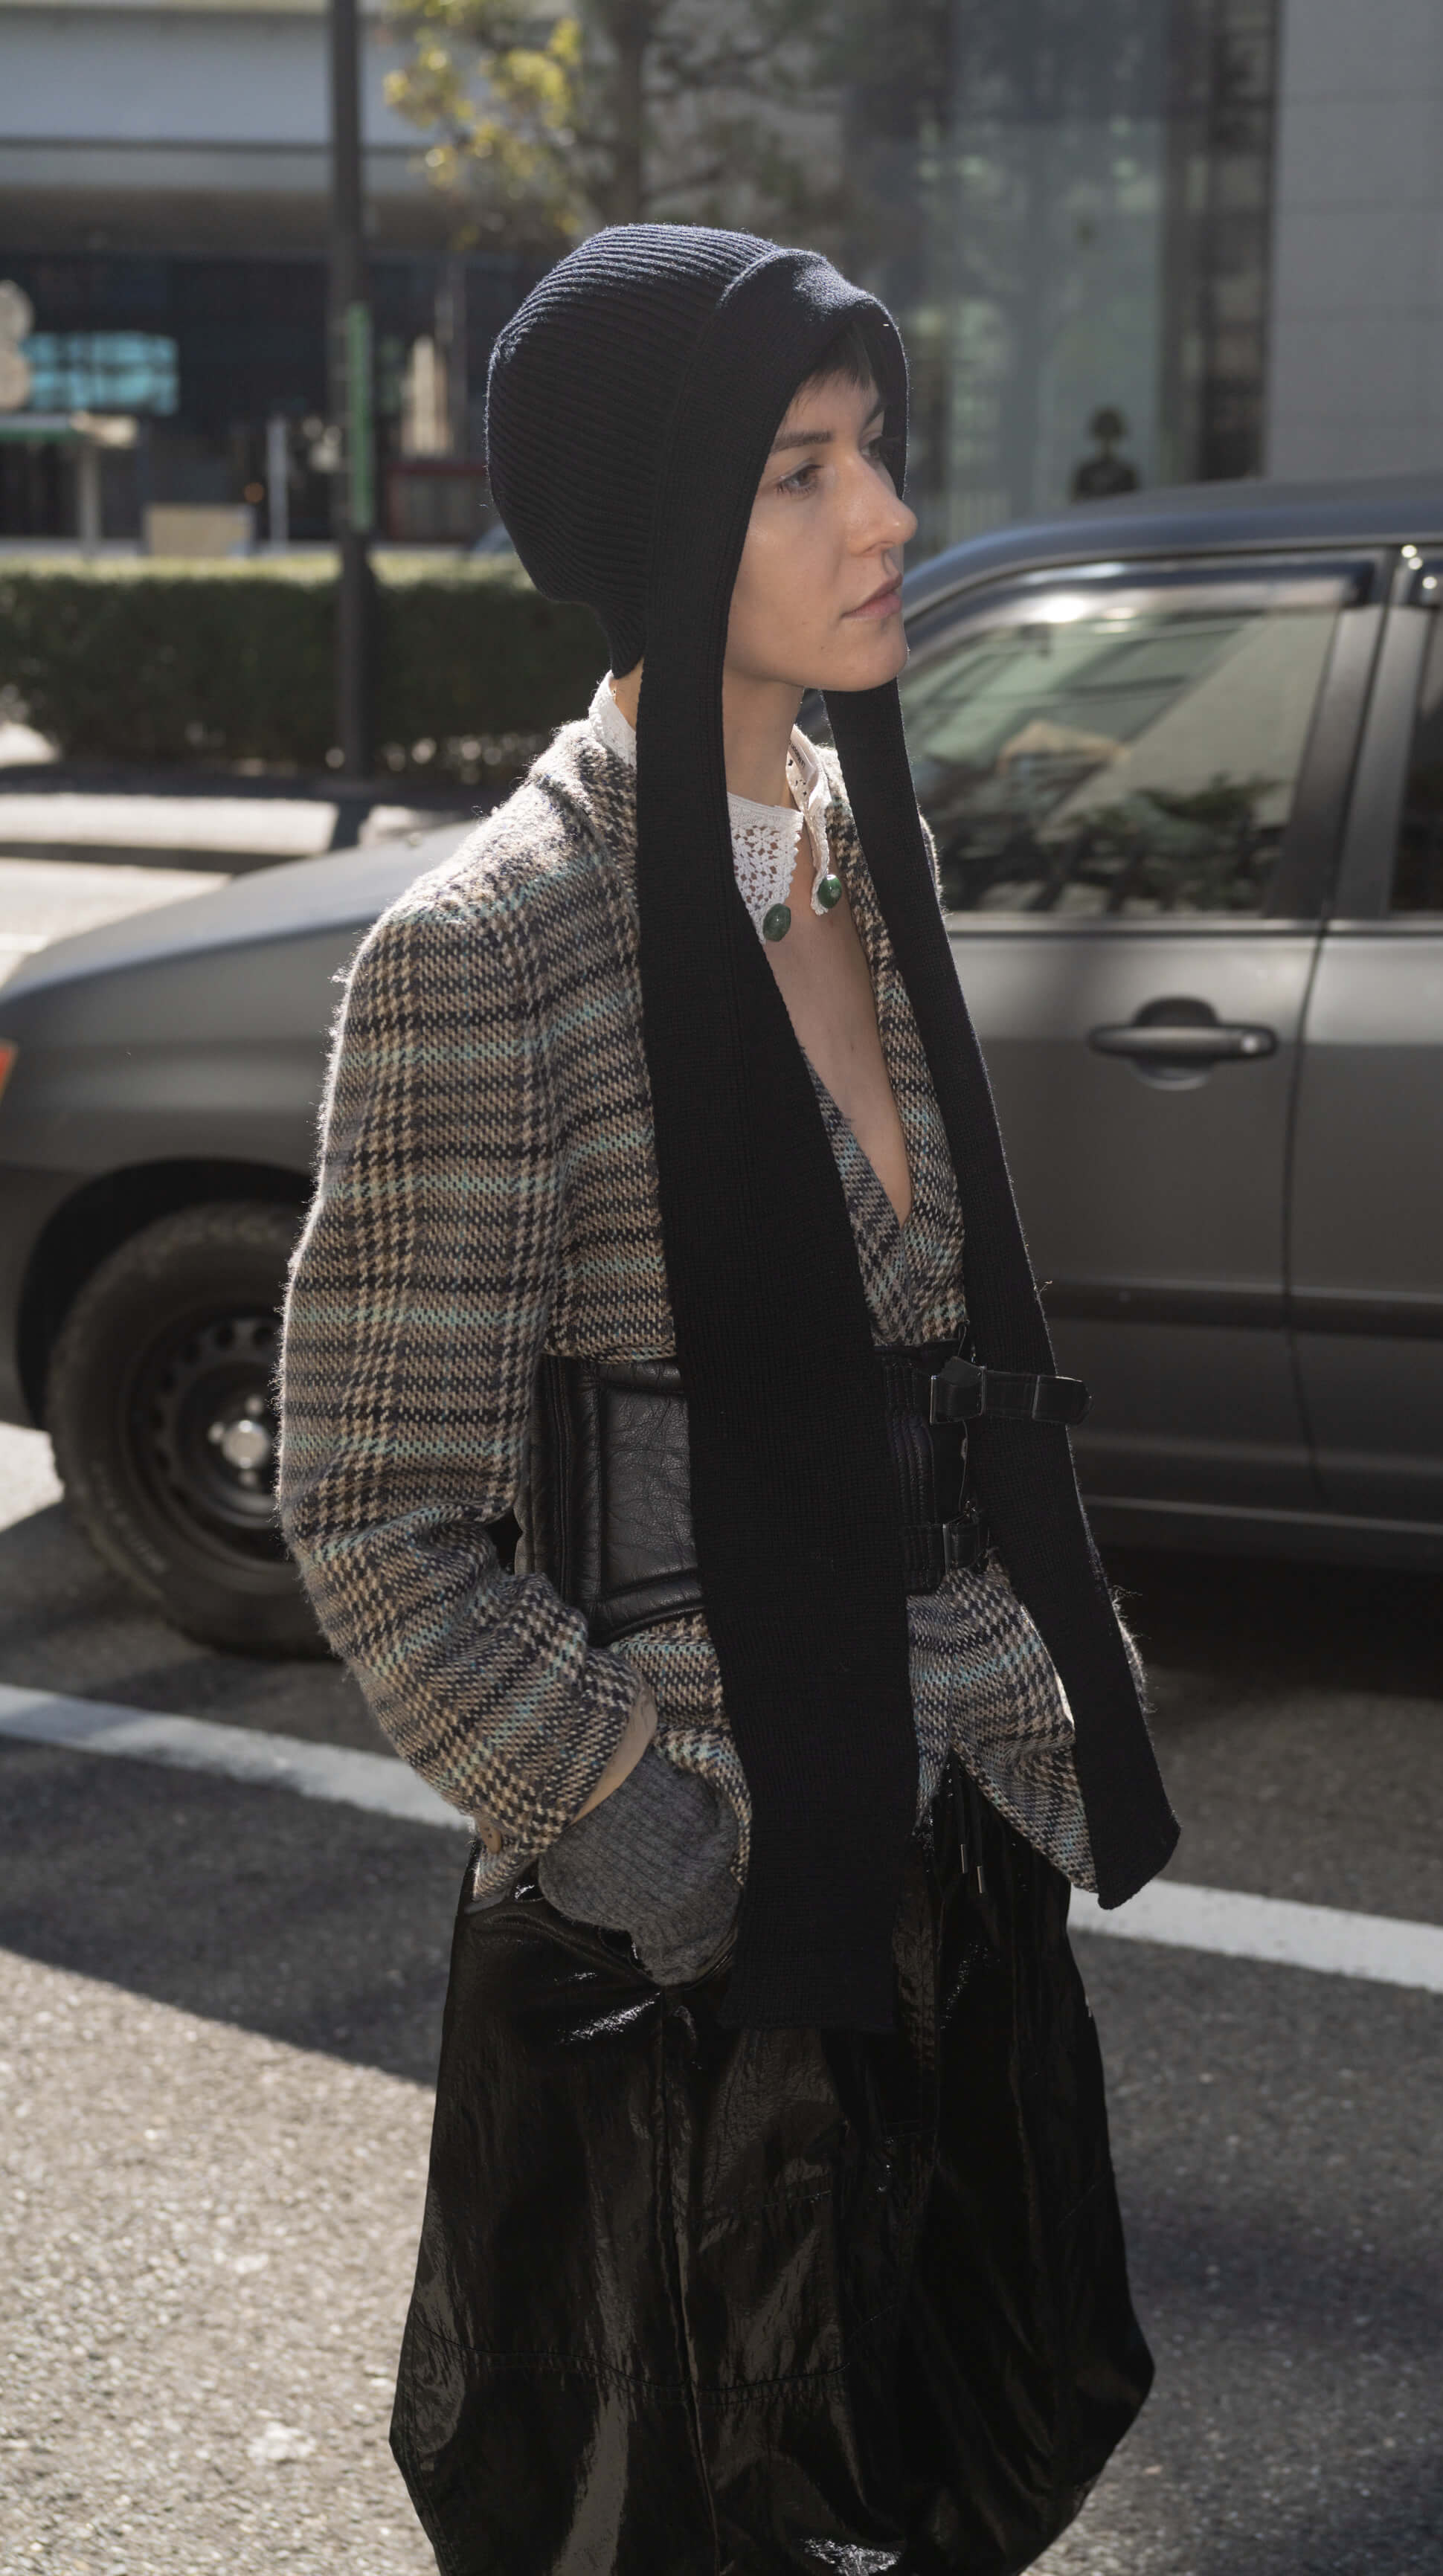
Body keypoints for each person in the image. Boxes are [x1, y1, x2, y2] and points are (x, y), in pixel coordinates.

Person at [277, 224, 1179, 2576]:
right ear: (671, 522)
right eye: (802, 470)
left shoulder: (861, 858)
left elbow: (931, 1347)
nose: (886, 515)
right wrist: (658, 1851)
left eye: (873, 447)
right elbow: (372, 1506)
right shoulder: (491, 943)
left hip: (948, 1840)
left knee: (966, 2451)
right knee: (685, 2517)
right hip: (694, 1901)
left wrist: (1033, 1694)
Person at [1070, 404, 1141, 502]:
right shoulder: (1085, 472)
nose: (1107, 441)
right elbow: (1077, 501)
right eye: (1104, 435)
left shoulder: (1127, 474)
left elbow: (1134, 503)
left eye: (1110, 435)